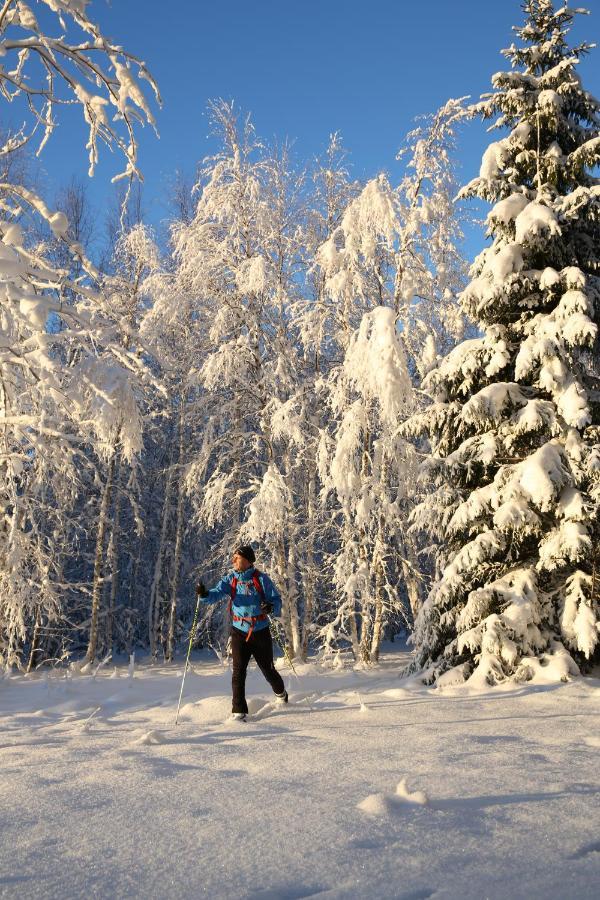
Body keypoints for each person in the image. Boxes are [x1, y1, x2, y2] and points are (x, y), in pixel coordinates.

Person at [197, 546, 288, 721]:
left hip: (260, 631)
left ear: (247, 560)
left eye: (236, 558)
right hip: (239, 632)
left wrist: (270, 607)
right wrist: (204, 594)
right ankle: (238, 711)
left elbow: (276, 600)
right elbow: (215, 594)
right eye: (233, 557)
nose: (233, 561)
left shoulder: (261, 579)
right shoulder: (231, 579)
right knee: (238, 671)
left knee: (268, 670)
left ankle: (281, 693)